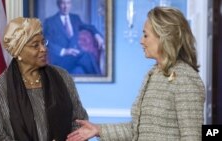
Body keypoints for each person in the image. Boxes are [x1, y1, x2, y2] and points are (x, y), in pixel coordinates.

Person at [66, 6, 205, 141]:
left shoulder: (185, 78)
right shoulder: (153, 74)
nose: (141, 41)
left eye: (145, 35)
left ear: (163, 37)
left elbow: (193, 136)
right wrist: (98, 129)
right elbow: (137, 130)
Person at [0, 17, 88, 141]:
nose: (43, 49)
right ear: (18, 52)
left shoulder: (62, 76)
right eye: (35, 45)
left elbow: (79, 121)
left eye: (43, 43)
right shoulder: (1, 87)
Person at [43, 0, 104, 75]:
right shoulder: (50, 21)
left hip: (75, 59)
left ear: (71, 4)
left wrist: (97, 35)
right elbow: (45, 41)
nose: (66, 6)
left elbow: (89, 27)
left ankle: (99, 80)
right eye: (63, 3)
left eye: (68, 3)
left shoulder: (75, 18)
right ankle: (100, 77)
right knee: (87, 56)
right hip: (60, 59)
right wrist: (64, 51)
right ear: (58, 4)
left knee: (79, 70)